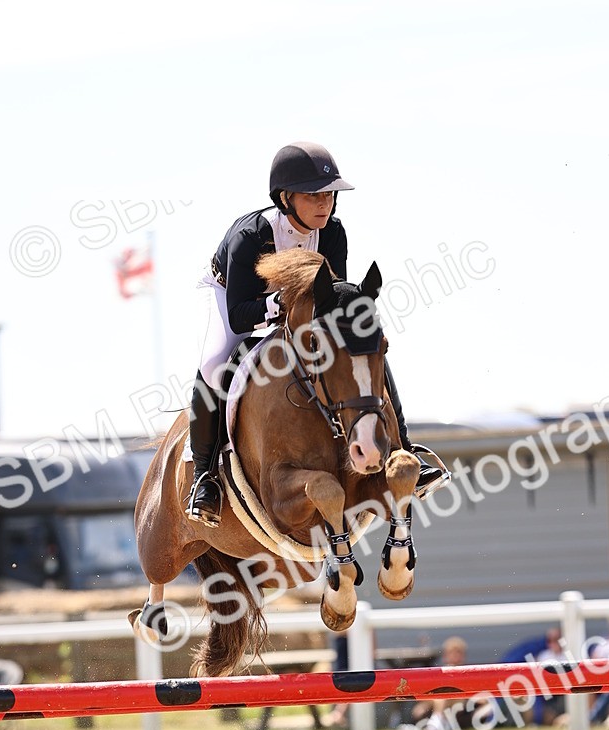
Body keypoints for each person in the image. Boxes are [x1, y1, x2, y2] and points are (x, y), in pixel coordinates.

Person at [185, 140, 447, 526]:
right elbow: (241, 318)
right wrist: (279, 305)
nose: (324, 204)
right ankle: (204, 478)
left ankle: (404, 450)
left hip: (300, 307)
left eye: (328, 195)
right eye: (312, 196)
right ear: (286, 198)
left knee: (364, 344)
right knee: (213, 366)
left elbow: (332, 297)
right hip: (232, 296)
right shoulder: (251, 237)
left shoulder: (334, 233)